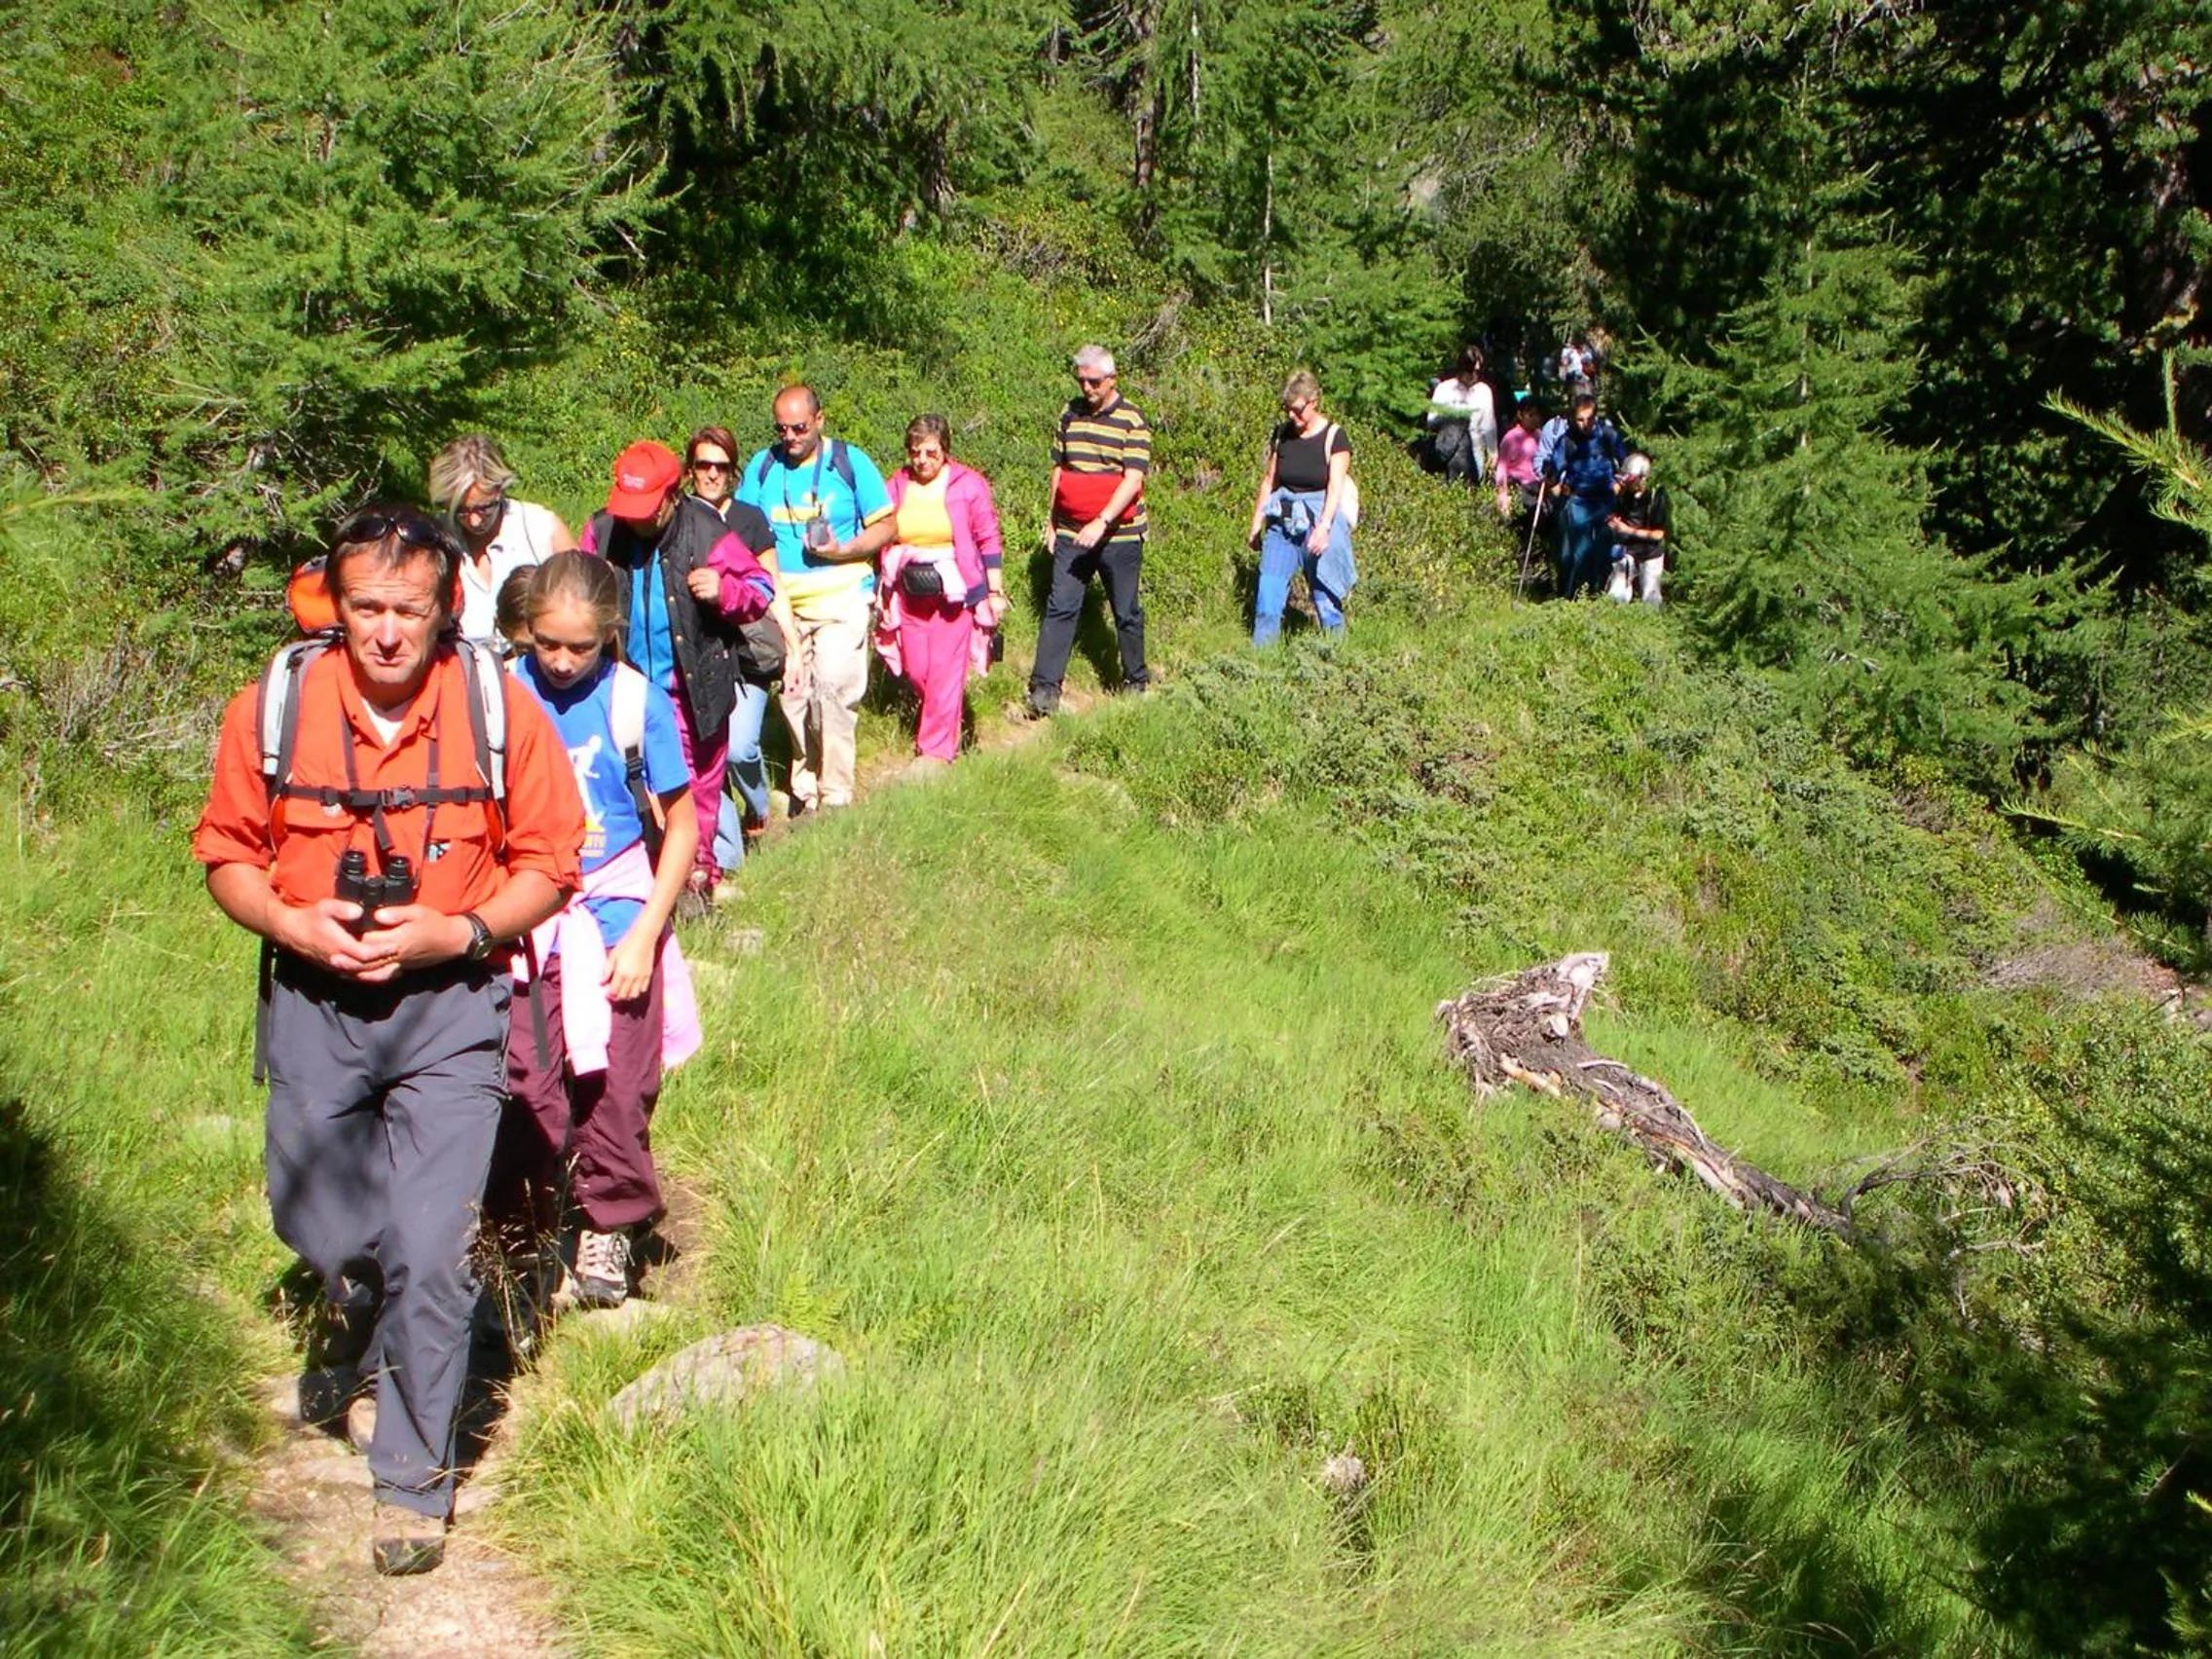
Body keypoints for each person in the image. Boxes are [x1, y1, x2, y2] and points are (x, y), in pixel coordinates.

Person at [194, 506, 582, 1575]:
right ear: (337, 606)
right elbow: (225, 849)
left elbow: (550, 863)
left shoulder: (495, 709)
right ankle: (354, 1307)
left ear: (446, 608)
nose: (386, 634)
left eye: (409, 610)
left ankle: (412, 1479)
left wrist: (456, 928)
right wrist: (287, 919)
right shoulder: (272, 705)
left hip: (452, 1005)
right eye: (366, 608)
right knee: (316, 1217)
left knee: (435, 1244)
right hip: (313, 1002)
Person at [492, 553, 702, 1310]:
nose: (562, 660)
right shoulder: (499, 694)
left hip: (616, 910)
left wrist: (647, 933)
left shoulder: (632, 702)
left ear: (609, 635)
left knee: (620, 1083)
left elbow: (679, 824)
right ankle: (523, 1233)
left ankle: (608, 1224)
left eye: (581, 646)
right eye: (547, 642)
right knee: (526, 1085)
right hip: (524, 918)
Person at [581, 440, 776, 903]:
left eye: (647, 507)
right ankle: (637, 882)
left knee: (696, 791)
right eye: (630, 507)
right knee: (627, 786)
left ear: (672, 494)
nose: (637, 518)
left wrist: (725, 589)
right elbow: (575, 582)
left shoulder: (707, 530)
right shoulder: (604, 529)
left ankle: (695, 883)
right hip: (622, 687)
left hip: (692, 691)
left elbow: (762, 588)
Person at [736, 387, 897, 814]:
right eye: (782, 428)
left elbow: (887, 525)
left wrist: (845, 550)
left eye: (800, 428)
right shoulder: (764, 465)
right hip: (783, 599)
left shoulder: (849, 461)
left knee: (833, 688)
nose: (790, 436)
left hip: (841, 591)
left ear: (820, 420)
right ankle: (805, 785)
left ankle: (837, 793)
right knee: (793, 696)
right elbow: (743, 527)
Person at [682, 424, 794, 861]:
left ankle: (761, 804)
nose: (711, 474)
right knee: (708, 758)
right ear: (690, 469)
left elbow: (773, 586)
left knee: (740, 748)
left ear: (733, 471)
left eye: (721, 466)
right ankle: (728, 861)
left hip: (747, 654)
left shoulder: (748, 519)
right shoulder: (678, 517)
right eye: (703, 465)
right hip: (697, 654)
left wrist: (795, 650)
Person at [875, 415, 1010, 764]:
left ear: (945, 451)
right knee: (918, 669)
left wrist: (994, 591)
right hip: (910, 593)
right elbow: (878, 526)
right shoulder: (897, 485)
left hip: (956, 593)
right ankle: (946, 724)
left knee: (946, 673)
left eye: (930, 453)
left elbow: (988, 536)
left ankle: (934, 754)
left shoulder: (968, 484)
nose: (922, 460)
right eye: (915, 452)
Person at [1027, 345, 1152, 718]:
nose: (1087, 388)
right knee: (1061, 606)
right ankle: (1044, 689)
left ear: (1111, 379)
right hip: (1070, 531)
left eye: (1094, 381)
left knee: (1125, 610)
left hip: (1120, 534)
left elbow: (1133, 480)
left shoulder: (1133, 420)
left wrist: (1102, 521)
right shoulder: (1069, 413)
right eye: (1081, 380)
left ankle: (1136, 680)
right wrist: (1051, 521)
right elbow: (1058, 469)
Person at [429, 434, 577, 644]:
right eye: (461, 510)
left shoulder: (541, 528)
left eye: (484, 507)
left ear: (501, 489)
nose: (474, 520)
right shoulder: (437, 536)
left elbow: (583, 601)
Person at [1245, 370, 1356, 646]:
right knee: (1267, 602)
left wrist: (1325, 527)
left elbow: (1335, 487)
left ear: (1313, 401)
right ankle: (1261, 666)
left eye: (1296, 411)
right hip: (1283, 522)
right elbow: (1270, 480)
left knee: (1325, 601)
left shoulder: (1335, 437)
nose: (1292, 417)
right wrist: (1256, 523)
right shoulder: (1282, 434)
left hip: (1319, 521)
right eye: (1287, 410)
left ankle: (1338, 661)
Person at [1535, 393, 1629, 600]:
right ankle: (1579, 597)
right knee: (1579, 553)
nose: (1585, 424)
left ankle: (1601, 593)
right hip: (1579, 502)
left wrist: (1620, 484)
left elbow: (1627, 462)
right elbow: (1554, 474)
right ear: (1572, 418)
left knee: (1604, 549)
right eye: (1580, 419)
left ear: (1595, 417)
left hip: (1605, 501)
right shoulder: (1566, 441)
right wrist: (1550, 476)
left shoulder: (1607, 436)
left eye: (1589, 418)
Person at [1605, 453, 1672, 608]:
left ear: (1643, 479)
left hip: (1651, 553)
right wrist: (1613, 522)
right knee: (1617, 594)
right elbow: (1612, 513)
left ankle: (1650, 627)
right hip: (1627, 551)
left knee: (1651, 598)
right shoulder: (1623, 493)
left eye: (1631, 480)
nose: (1627, 484)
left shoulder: (1656, 497)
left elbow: (1658, 534)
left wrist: (1628, 530)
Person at [1426, 347, 1498, 486]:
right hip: (1448, 451)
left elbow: (1489, 425)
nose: (1473, 375)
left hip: (1475, 452)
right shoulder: (1445, 389)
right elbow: (1431, 420)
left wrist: (1492, 451)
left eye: (1477, 371)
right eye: (1470, 370)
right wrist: (1454, 417)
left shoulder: (1484, 391)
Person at [1494, 397, 1545, 522]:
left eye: (1537, 415)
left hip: (1538, 487)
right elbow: (1502, 467)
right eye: (1530, 415)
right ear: (1520, 415)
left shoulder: (1541, 435)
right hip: (1519, 487)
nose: (1535, 419)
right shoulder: (1511, 438)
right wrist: (1502, 493)